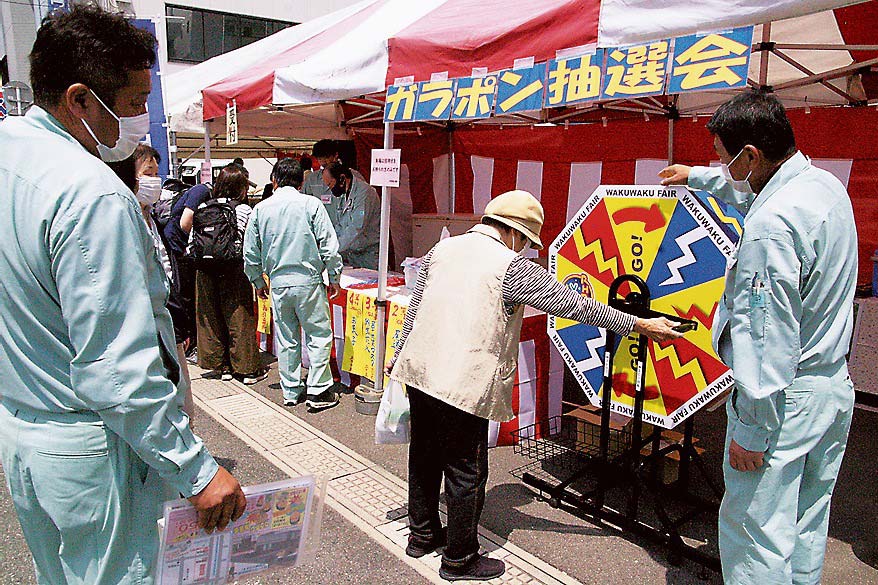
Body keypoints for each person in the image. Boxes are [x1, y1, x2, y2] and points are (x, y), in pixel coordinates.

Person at [0, 7, 245, 584]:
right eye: (134, 101)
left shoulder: (11, 152)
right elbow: (117, 369)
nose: (140, 117)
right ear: (80, 99)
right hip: (94, 448)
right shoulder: (89, 194)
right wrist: (197, 470)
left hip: (28, 431)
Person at [388, 190, 683, 581]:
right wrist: (641, 324)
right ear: (516, 233)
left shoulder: (442, 250)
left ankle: (422, 536)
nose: (526, 248)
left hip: (419, 370)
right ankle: (460, 558)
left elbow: (416, 306)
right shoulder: (511, 267)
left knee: (424, 457)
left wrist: (400, 351)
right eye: (527, 241)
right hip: (460, 381)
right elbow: (576, 306)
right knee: (466, 470)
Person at [659, 92, 858, 585]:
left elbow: (765, 342)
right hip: (831, 388)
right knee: (807, 520)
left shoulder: (769, 230)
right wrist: (697, 177)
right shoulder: (823, 186)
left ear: (750, 154)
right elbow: (754, 192)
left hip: (783, 401)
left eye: (725, 157)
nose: (723, 166)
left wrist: (751, 431)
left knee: (755, 533)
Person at [243, 158, 344, 411]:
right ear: (301, 182)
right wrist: (334, 277)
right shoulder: (312, 205)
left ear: (274, 180)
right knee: (318, 335)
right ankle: (319, 391)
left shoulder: (260, 210)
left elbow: (250, 252)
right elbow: (329, 246)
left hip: (277, 282)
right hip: (308, 281)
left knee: (287, 339)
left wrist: (257, 280)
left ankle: (290, 389)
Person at [192, 164, 266, 385]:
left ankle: (219, 365)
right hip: (234, 268)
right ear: (240, 187)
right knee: (239, 316)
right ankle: (245, 369)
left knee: (210, 317)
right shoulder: (243, 209)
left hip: (205, 269)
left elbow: (191, 241)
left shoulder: (203, 207)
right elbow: (252, 243)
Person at [323, 162, 381, 270]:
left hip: (368, 254)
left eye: (330, 184)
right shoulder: (343, 193)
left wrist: (333, 248)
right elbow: (340, 224)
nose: (330, 189)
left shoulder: (365, 193)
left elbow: (356, 227)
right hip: (351, 254)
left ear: (342, 178)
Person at [301, 139, 364, 228]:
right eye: (319, 158)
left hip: (348, 230)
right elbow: (304, 202)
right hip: (322, 229)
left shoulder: (353, 176)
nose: (323, 162)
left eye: (326, 157)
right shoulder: (313, 179)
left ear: (336, 155)